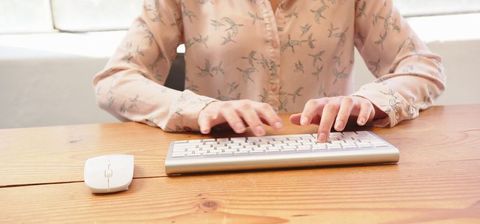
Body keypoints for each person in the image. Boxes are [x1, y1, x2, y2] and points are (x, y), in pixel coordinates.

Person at [93, 0, 445, 142]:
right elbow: (115, 83)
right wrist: (198, 109)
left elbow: (422, 67)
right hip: (217, 164)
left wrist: (370, 101)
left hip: (328, 160)